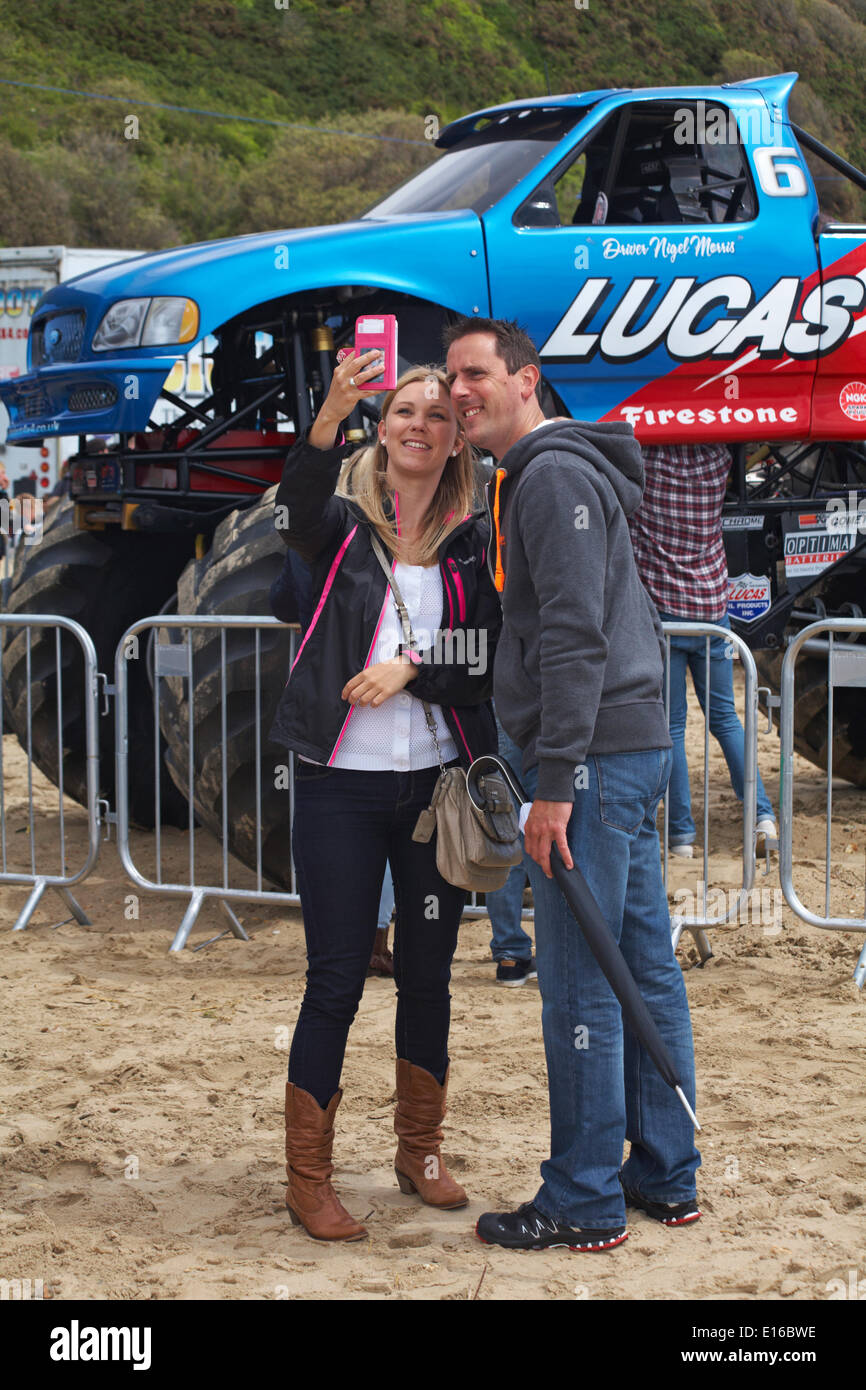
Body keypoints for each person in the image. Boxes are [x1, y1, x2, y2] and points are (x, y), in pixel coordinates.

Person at [445, 316, 701, 1252]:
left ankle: (585, 1196)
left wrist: (554, 782)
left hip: (591, 759)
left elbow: (574, 636)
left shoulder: (549, 477)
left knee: (579, 981)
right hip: (623, 748)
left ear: (527, 378)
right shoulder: (549, 472)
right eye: (449, 378)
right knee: (642, 962)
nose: (460, 391)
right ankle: (667, 1175)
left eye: (475, 373)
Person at [270, 352, 501, 1242]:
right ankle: (309, 1177)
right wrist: (327, 413)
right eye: (405, 410)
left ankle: (421, 1150)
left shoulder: (477, 539)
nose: (420, 425)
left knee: (431, 978)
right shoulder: (338, 527)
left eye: (439, 416)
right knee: (334, 979)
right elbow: (291, 505)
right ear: (382, 426)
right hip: (338, 784)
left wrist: (415, 670)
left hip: (436, 791)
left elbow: (487, 659)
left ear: (456, 438)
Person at [628, 444, 777, 858]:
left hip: (667, 617)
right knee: (727, 720)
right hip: (712, 611)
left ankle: (681, 838)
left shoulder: (647, 463)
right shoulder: (717, 460)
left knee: (672, 729)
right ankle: (762, 816)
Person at [270, 543, 396, 975]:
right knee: (383, 836)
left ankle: (346, 941)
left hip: (325, 703)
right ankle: (373, 940)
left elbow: (282, 600)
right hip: (371, 696)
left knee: (329, 837)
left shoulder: (314, 539)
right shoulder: (374, 534)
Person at [483, 712, 537, 985]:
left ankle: (509, 955)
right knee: (550, 839)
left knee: (507, 837)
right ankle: (551, 954)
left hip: (507, 703)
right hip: (549, 701)